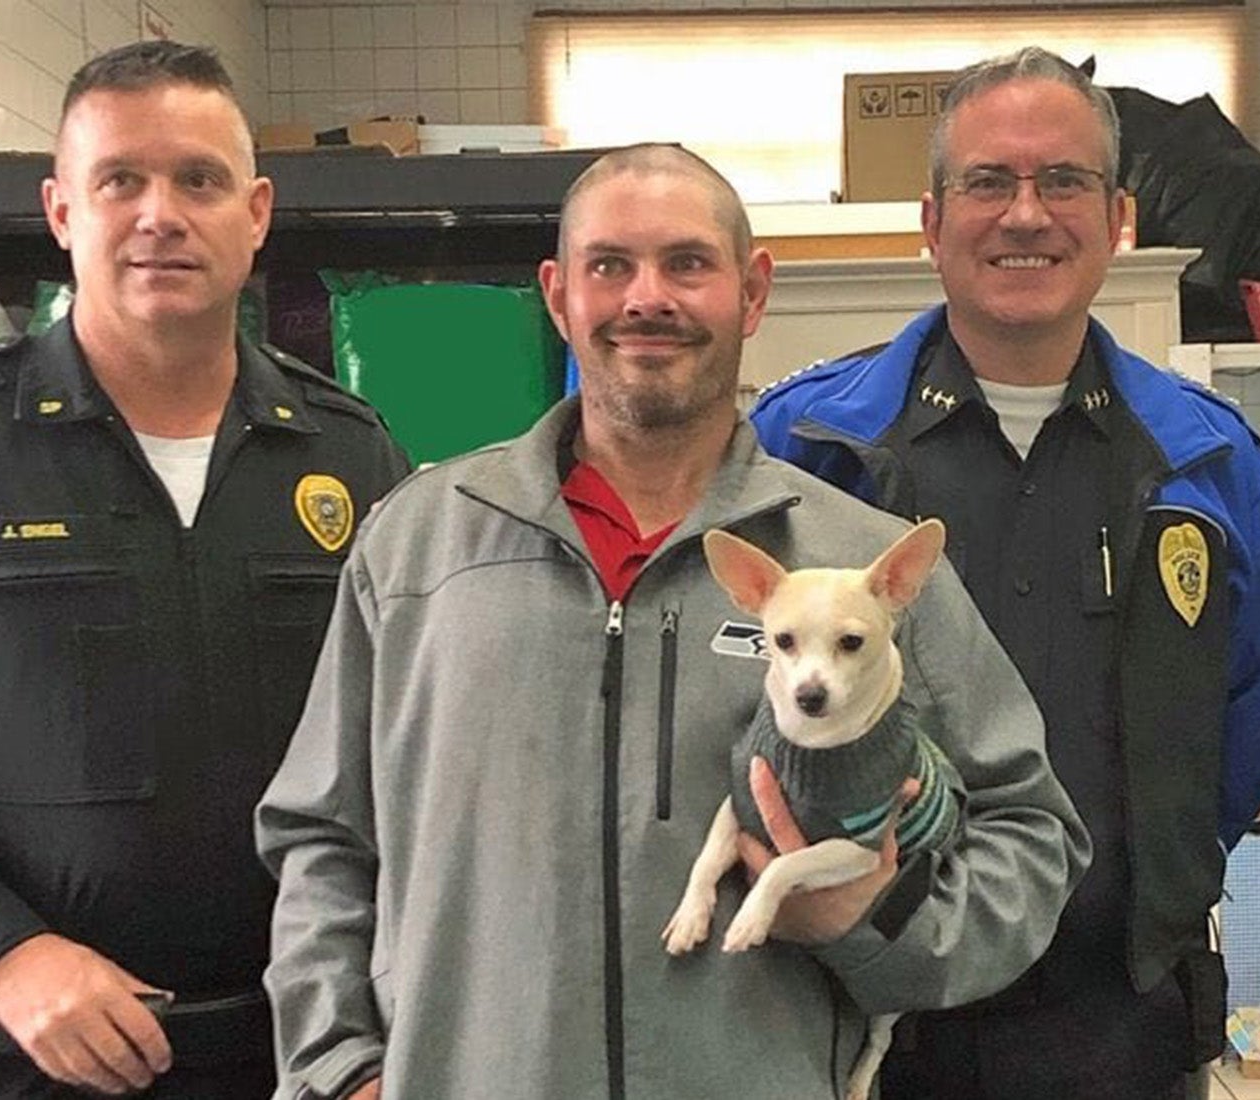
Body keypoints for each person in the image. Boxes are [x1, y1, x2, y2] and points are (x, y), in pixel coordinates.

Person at [255, 142, 1089, 1100]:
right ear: (557, 292)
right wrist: (337, 1067)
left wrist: (876, 920)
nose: (646, 297)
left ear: (752, 290)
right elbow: (321, 836)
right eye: (609, 265)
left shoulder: (860, 566)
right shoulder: (420, 547)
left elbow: (1030, 836)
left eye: (687, 263)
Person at [0, 40, 408, 1099]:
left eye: (199, 179)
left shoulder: (352, 452)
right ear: (62, 212)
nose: (161, 213)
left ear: (257, 211)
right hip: (25, 1053)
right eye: (121, 180)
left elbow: (404, 746)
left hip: (300, 1050)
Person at [750, 46, 1260, 1100]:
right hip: (863, 1025)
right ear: (932, 220)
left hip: (1124, 1033)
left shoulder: (1210, 462)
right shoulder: (806, 448)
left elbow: (1240, 729)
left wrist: (1154, 887)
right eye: (989, 182)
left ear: (1117, 216)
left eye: (1063, 180)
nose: (1026, 214)